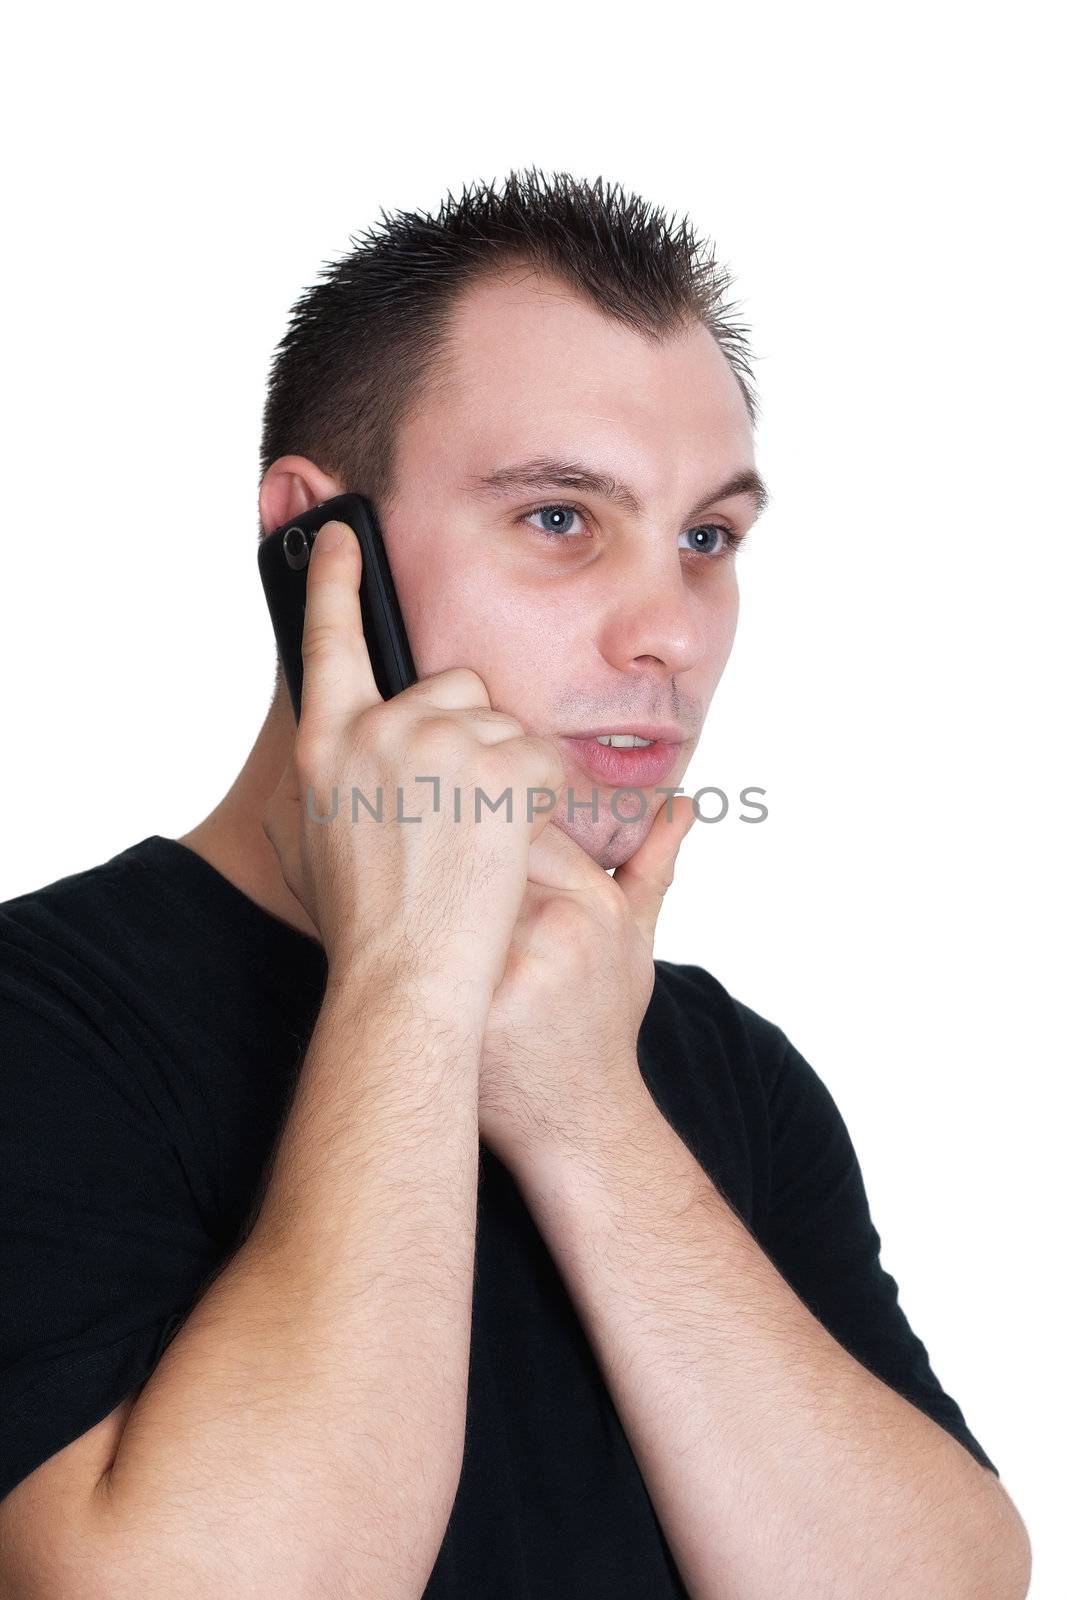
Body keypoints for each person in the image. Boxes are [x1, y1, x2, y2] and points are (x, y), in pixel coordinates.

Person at [0, 169, 1030, 1599]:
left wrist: (582, 1111)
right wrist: (415, 979)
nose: (670, 628)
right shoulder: (38, 1025)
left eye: (708, 538)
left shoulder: (722, 1074)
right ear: (319, 552)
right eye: (560, 518)